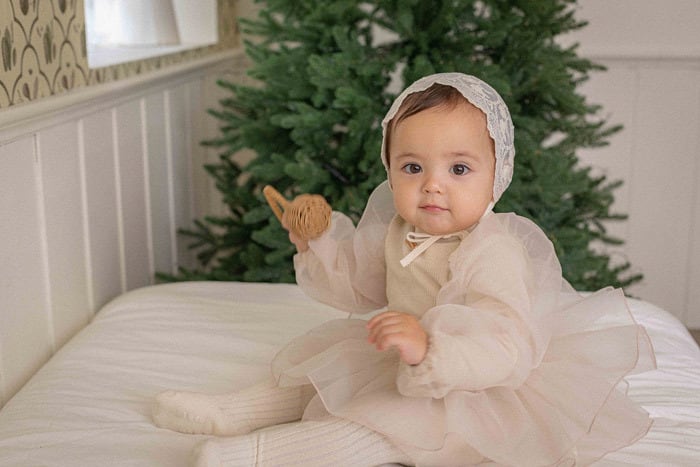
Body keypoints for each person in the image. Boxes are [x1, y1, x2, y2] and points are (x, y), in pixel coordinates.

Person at [153, 73, 656, 466]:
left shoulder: (493, 251)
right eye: (413, 167)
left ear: (496, 177)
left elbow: (505, 343)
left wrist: (429, 350)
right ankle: (231, 412)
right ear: (391, 170)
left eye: (459, 169)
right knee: (321, 375)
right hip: (405, 352)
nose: (433, 185)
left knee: (380, 426)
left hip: (471, 380)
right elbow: (356, 285)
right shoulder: (400, 230)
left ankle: (260, 455)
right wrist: (316, 241)